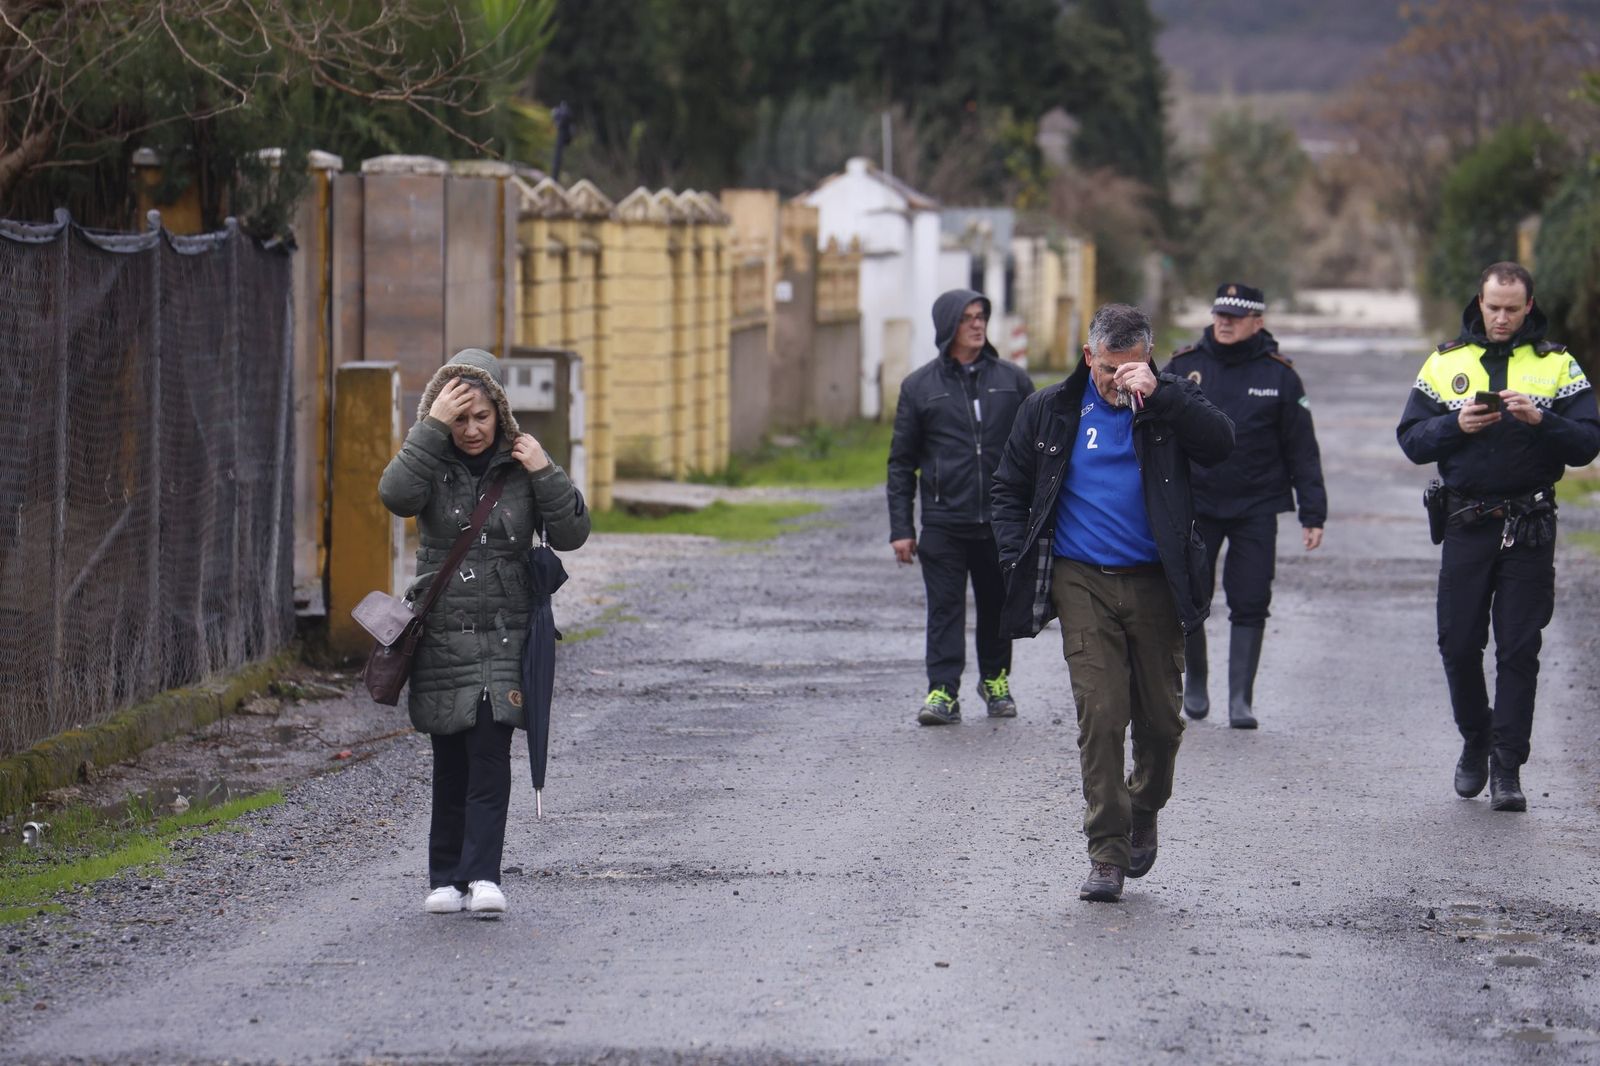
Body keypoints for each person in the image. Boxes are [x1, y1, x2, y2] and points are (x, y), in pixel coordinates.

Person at [992, 304, 1233, 902]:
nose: (1119, 381)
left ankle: (1142, 803)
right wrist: (1011, 556)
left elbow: (1222, 444)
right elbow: (1008, 485)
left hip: (1155, 580)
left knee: (1161, 723)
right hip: (1081, 580)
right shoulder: (1050, 410)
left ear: (1148, 359)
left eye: (1132, 368)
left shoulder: (1169, 404)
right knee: (1101, 713)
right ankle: (1106, 851)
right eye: (1108, 369)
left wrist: (1164, 396)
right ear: (1087, 358)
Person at [379, 348, 590, 914]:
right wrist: (428, 430)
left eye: (481, 417)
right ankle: (446, 878)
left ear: (500, 413)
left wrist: (544, 468)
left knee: (490, 756)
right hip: (444, 634)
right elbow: (394, 495)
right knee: (450, 760)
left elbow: (572, 533)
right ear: (442, 415)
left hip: (506, 635)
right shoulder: (429, 462)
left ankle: (484, 877)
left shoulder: (521, 466)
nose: (471, 430)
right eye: (459, 417)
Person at [1397, 262, 1599, 812]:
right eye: (1494, 307)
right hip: (1466, 523)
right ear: (1480, 303)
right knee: (1458, 643)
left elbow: (1587, 444)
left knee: (1519, 648)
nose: (1503, 317)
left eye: (1513, 308)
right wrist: (1454, 426)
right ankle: (1475, 738)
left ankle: (1507, 768)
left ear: (1528, 305)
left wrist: (1542, 421)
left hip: (1530, 525)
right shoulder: (1446, 363)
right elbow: (1411, 440)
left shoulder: (1557, 364)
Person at [1165, 283, 1327, 729]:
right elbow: (1155, 434)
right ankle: (1195, 683)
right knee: (1190, 595)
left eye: (1235, 317)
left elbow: (1302, 450)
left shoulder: (1280, 376)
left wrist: (1313, 512)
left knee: (1252, 597)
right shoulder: (1184, 366)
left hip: (1257, 503)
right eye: (1220, 314)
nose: (1224, 322)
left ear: (1258, 321)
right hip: (1197, 501)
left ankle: (1240, 700)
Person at [888, 288, 1035, 725]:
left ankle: (995, 681)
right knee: (945, 608)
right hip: (944, 521)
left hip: (1001, 522)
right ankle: (942, 691)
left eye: (981, 316)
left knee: (997, 606)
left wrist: (1037, 517)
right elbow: (901, 464)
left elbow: (1037, 452)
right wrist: (901, 527)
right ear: (947, 326)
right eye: (967, 317)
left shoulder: (1012, 381)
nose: (977, 324)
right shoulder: (919, 387)